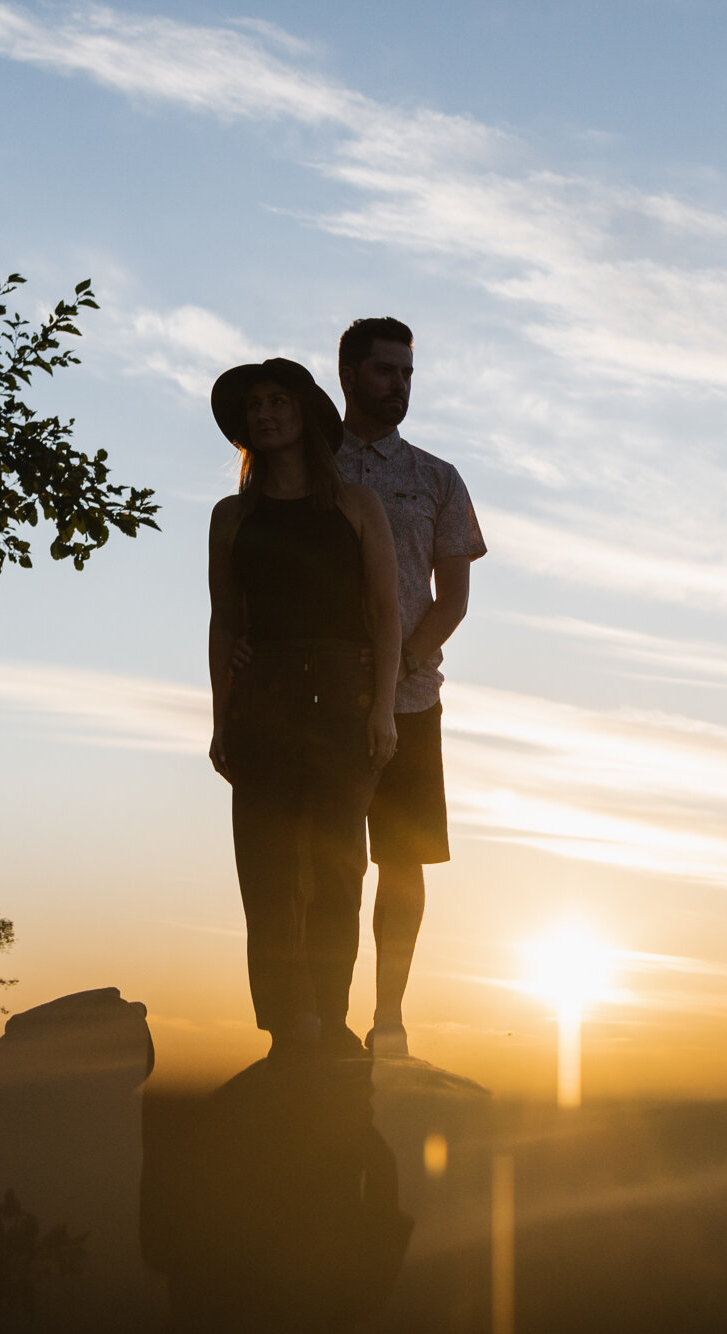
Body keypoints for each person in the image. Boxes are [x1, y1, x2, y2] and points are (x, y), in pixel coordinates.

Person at [207, 357, 403, 1062]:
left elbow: (385, 614)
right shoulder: (232, 516)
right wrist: (220, 715)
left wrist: (382, 709)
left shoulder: (357, 506)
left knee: (338, 869)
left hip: (341, 700)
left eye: (279, 400)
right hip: (264, 701)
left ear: (305, 414)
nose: (265, 412)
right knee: (266, 873)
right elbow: (225, 622)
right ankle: (288, 1025)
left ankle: (329, 1014)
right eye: (255, 404)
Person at [331, 318, 487, 1058]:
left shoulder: (437, 477)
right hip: (318, 698)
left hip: (412, 704)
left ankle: (387, 1017)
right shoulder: (306, 465)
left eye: (408, 372)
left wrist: (405, 666)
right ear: (350, 373)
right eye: (386, 370)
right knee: (323, 863)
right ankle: (320, 1021)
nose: (400, 384)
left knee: (404, 862)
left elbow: (452, 598)